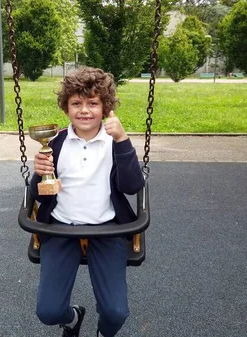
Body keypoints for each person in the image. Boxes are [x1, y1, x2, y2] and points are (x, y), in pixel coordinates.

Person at [30, 67, 145, 337]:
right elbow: (38, 194)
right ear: (66, 107)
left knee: (116, 313)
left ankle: (103, 333)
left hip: (107, 229)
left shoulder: (114, 142)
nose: (84, 110)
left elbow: (131, 185)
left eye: (93, 103)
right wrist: (38, 174)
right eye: (76, 103)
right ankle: (72, 317)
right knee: (47, 312)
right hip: (60, 228)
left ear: (105, 107)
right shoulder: (55, 143)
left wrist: (123, 139)